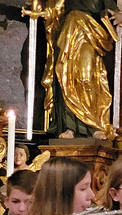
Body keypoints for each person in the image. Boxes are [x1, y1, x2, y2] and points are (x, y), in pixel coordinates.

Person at [25, 1, 122, 139]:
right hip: (69, 30)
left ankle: (93, 125)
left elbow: (111, 7)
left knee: (86, 77)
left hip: (90, 32)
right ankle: (69, 126)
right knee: (65, 76)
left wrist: (118, 14)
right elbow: (55, 5)